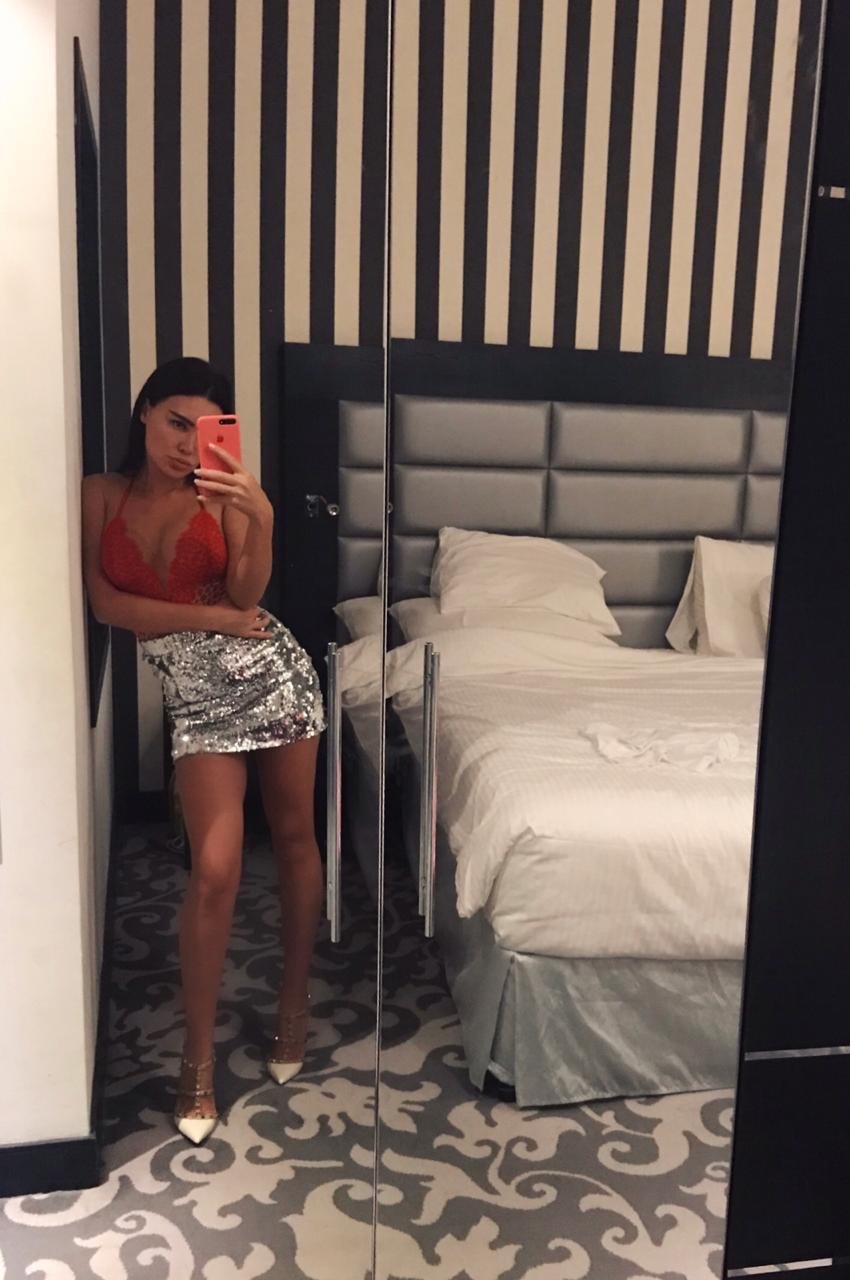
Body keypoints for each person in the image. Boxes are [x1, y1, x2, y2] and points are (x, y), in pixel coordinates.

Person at [81, 356, 326, 1145]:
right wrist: (214, 621)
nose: (187, 444)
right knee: (215, 869)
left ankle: (293, 1007)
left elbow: (249, 595)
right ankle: (197, 1060)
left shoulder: (221, 494)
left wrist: (263, 516)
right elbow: (107, 603)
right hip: (196, 703)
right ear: (144, 414)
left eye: (203, 428)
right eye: (174, 422)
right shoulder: (100, 494)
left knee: (293, 840)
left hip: (275, 681)